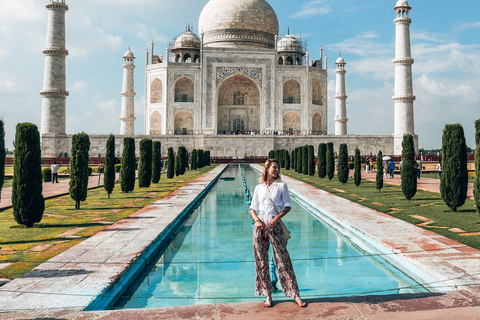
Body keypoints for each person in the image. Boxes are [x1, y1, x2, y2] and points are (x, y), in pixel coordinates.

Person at [249, 159, 306, 308]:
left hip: (275, 226)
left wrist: (276, 219)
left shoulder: (281, 186)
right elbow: (252, 208)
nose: (276, 170)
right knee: (261, 261)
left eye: (278, 168)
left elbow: (287, 206)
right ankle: (267, 295)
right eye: (274, 167)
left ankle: (295, 294)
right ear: (267, 169)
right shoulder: (259, 188)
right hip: (260, 227)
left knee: (283, 259)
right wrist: (257, 221)